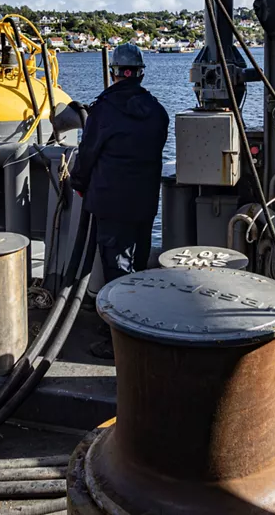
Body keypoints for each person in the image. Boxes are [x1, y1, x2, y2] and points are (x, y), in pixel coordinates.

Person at [69, 43, 169, 359]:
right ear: (140, 74)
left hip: (111, 204)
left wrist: (78, 183)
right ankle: (134, 327)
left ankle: (120, 341)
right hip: (144, 204)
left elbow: (87, 154)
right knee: (137, 266)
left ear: (114, 73)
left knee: (116, 270)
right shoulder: (157, 111)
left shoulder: (103, 109)